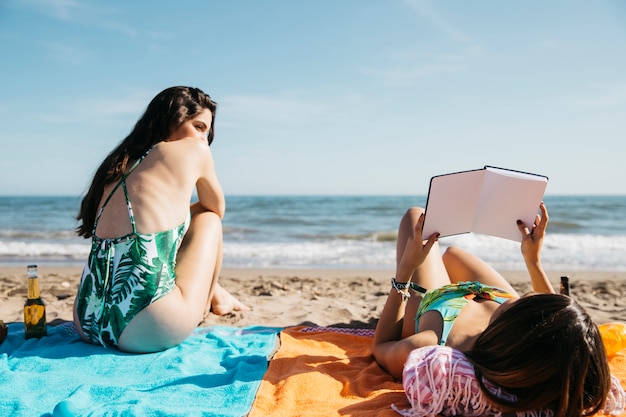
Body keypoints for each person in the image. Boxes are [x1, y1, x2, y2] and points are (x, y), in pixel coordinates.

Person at [373, 203, 612, 417]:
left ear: (517, 328)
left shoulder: (433, 341)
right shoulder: (520, 329)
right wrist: (533, 261)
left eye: (527, 300)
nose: (529, 294)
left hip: (441, 303)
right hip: (493, 299)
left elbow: (382, 346)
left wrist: (406, 269)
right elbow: (555, 321)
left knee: (416, 216)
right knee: (453, 253)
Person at [73, 86, 249, 353]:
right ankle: (211, 300)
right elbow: (217, 207)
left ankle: (218, 293)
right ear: (175, 118)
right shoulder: (194, 149)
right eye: (199, 126)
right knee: (208, 218)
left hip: (87, 322)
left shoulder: (118, 163)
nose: (204, 138)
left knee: (165, 232)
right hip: (149, 327)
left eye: (207, 132)